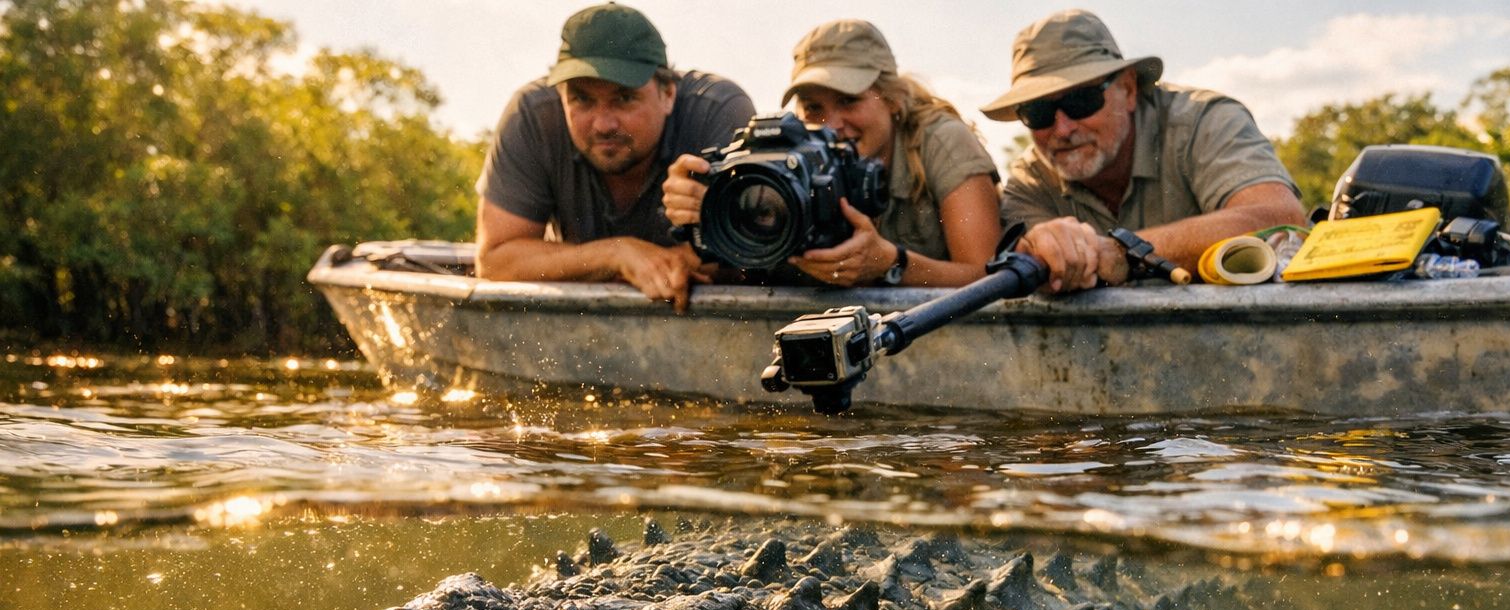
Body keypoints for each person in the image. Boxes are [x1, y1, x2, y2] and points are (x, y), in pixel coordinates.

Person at [980, 9, 1307, 293]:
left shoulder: (1203, 122)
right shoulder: (1029, 182)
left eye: (1081, 101)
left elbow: (1280, 217)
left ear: (1128, 89)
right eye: (1038, 112)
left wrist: (1120, 252)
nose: (1062, 129)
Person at [663, 19, 1001, 288]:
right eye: (813, 107)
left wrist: (891, 264)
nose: (833, 123)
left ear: (892, 98)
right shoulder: (787, 162)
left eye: (848, 100)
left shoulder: (940, 142)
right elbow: (729, 272)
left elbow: (987, 277)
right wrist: (708, 210)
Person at [474, 3, 754, 311]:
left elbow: (753, 250)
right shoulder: (532, 116)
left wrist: (705, 227)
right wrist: (616, 255)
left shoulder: (718, 113)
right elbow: (496, 260)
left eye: (624, 98)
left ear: (668, 94)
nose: (603, 124)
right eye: (581, 98)